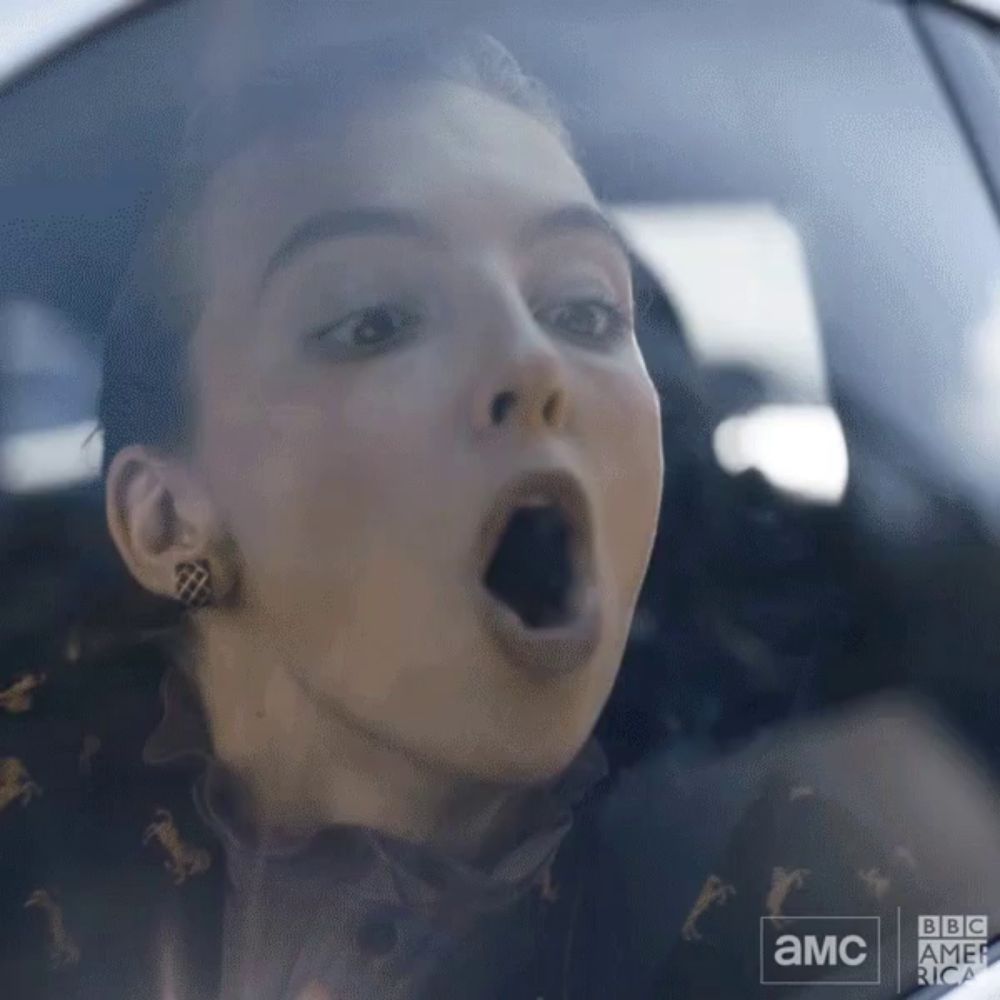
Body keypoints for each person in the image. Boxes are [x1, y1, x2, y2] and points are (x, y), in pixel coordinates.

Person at [2, 28, 663, 1000]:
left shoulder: (811, 881)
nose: (534, 362)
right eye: (374, 321)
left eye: (582, 308)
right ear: (167, 522)